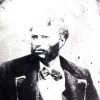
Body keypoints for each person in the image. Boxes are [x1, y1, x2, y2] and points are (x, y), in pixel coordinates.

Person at [0, 0, 99, 100]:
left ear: (61, 41)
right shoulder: (9, 70)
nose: (37, 43)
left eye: (45, 37)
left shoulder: (82, 74)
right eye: (34, 37)